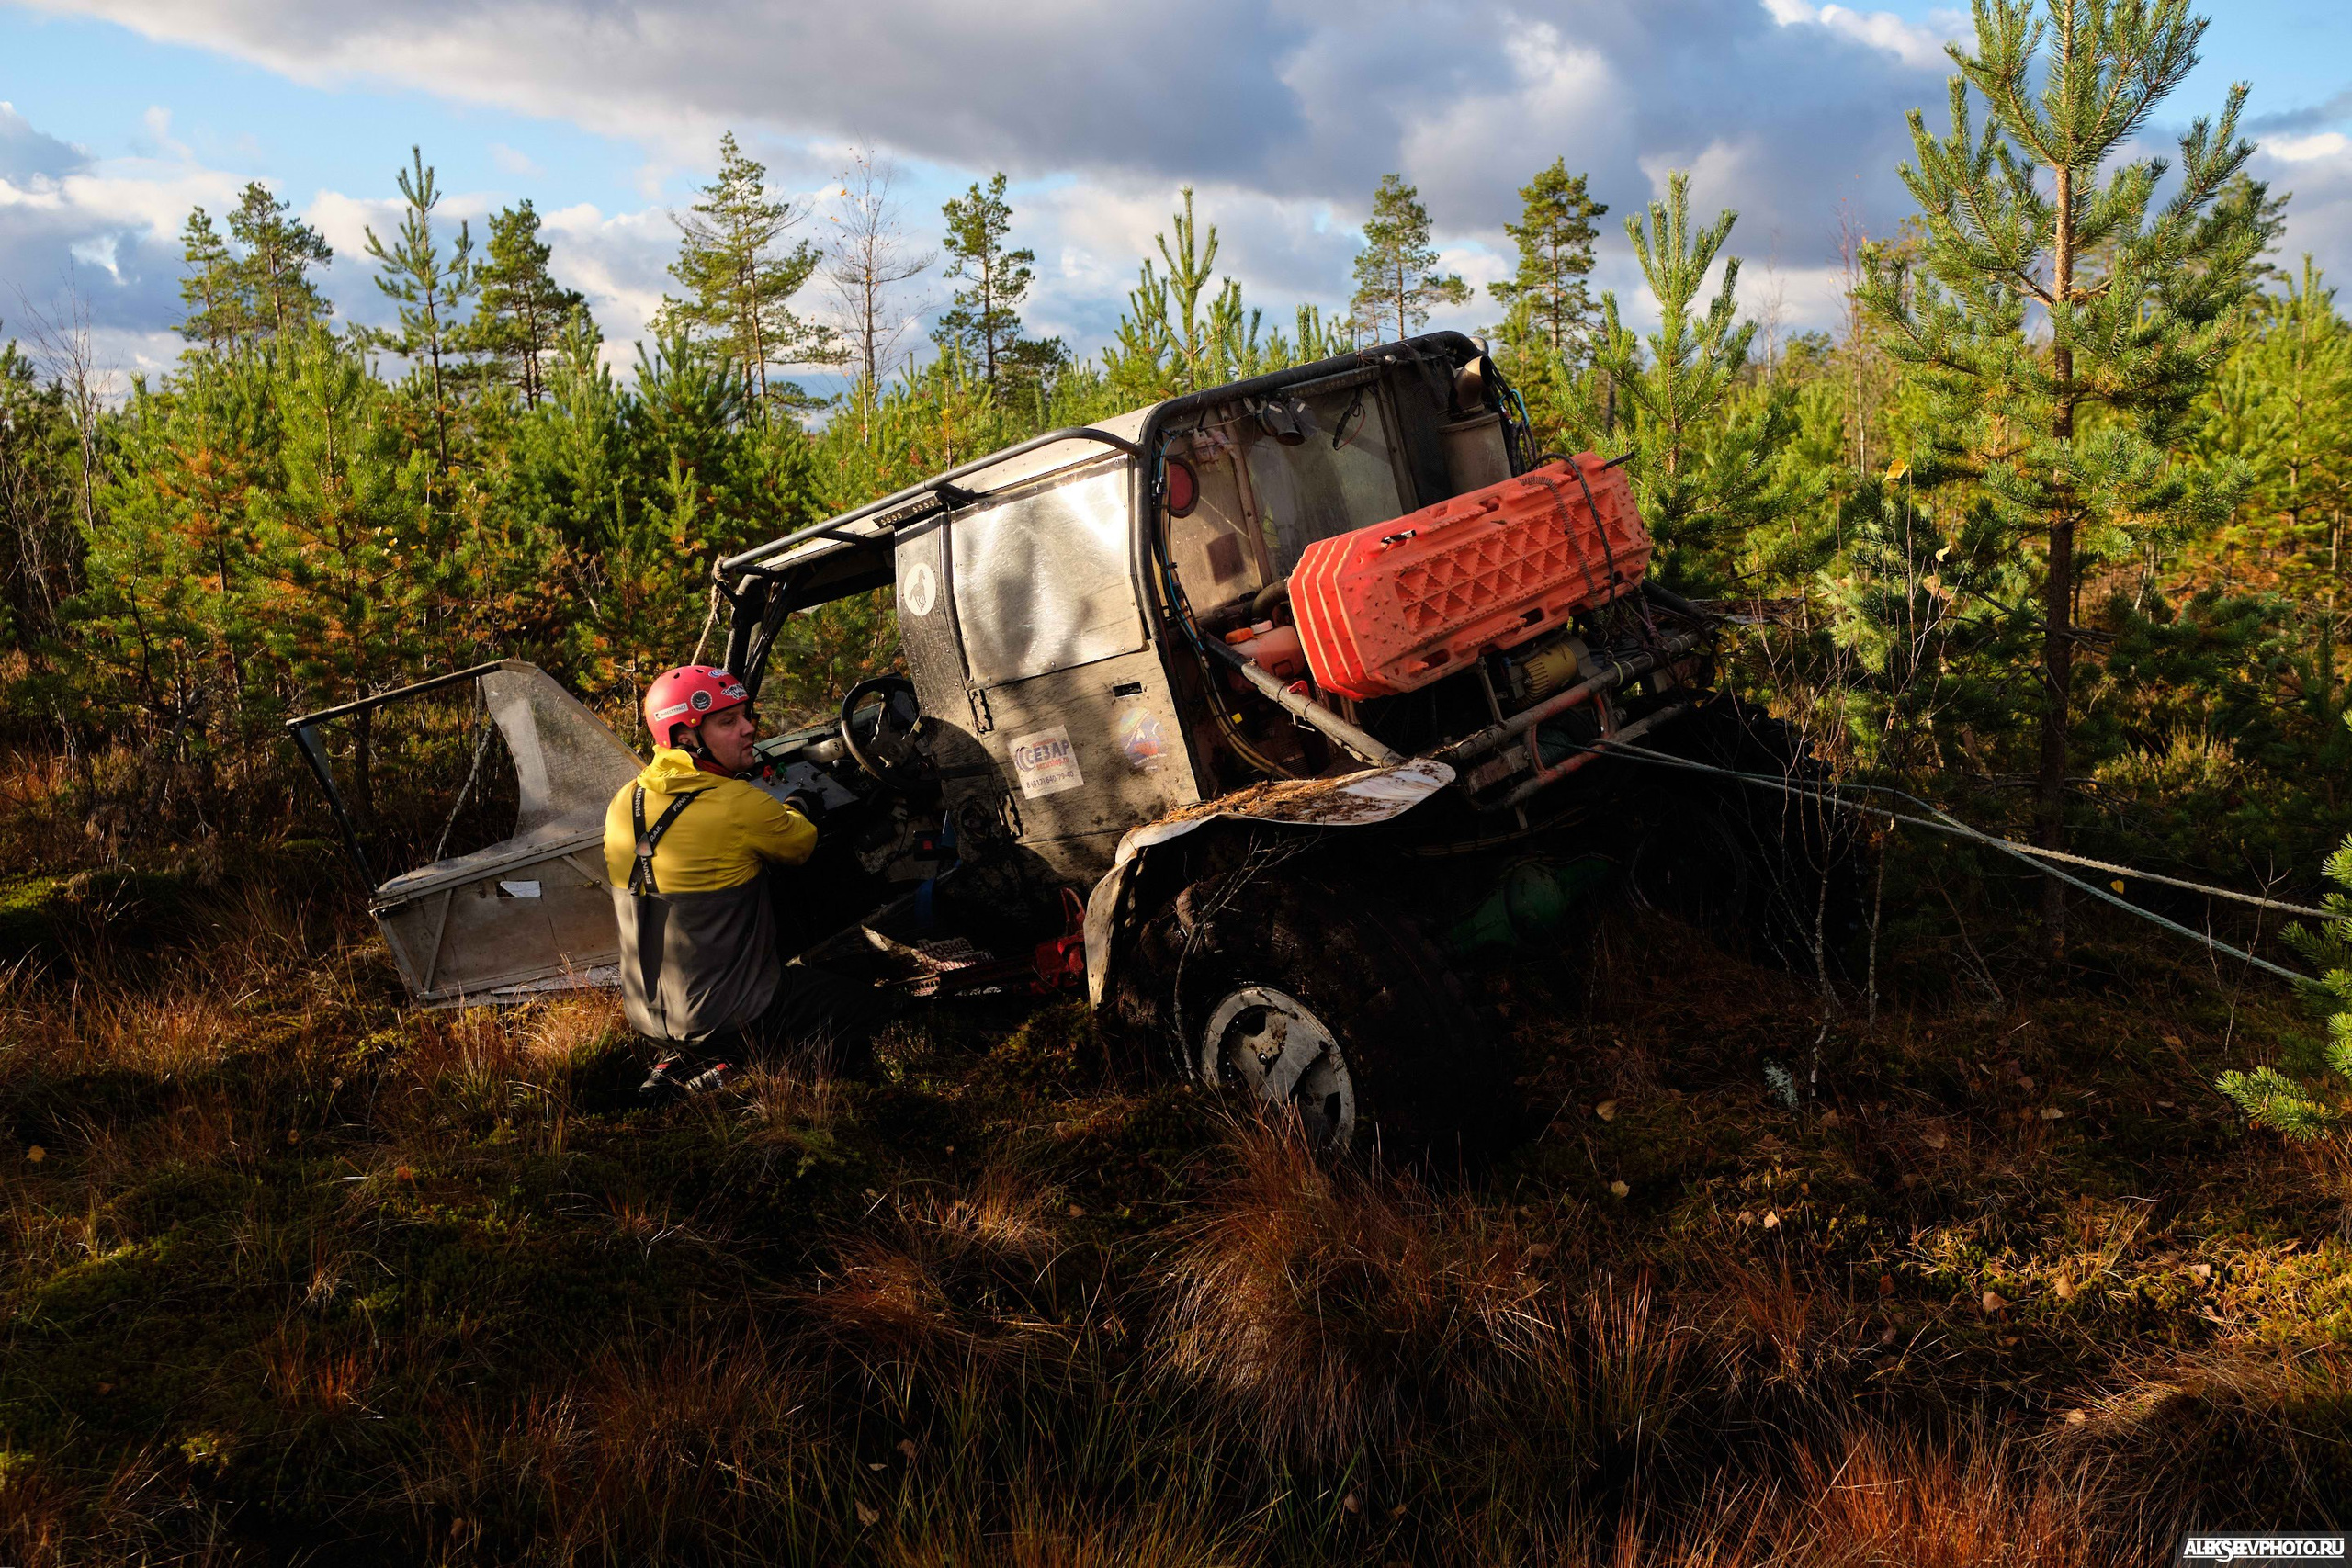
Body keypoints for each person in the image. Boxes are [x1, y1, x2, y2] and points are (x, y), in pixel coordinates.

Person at [603, 663, 888, 1101]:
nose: (749, 729)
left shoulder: (625, 800)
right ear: (685, 738)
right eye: (727, 721)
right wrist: (798, 803)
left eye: (745, 715)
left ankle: (695, 1067)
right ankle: (836, 1100)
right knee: (870, 1009)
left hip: (649, 1015)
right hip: (731, 1015)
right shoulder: (736, 803)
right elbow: (801, 843)